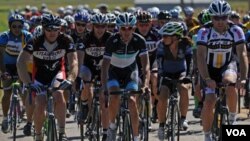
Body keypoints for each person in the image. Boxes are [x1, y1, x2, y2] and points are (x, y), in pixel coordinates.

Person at [17, 13, 78, 141]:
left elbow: (74, 62)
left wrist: (71, 79)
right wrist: (28, 83)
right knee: (40, 103)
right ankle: (38, 135)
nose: (52, 32)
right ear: (44, 29)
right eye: (49, 29)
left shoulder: (66, 40)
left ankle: (61, 132)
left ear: (59, 29)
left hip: (57, 73)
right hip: (39, 76)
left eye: (56, 29)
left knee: (59, 94)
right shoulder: (35, 41)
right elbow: (21, 62)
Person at [196, 1, 248, 141]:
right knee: (209, 101)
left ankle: (232, 119)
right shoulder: (204, 32)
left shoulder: (236, 30)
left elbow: (242, 54)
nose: (220, 21)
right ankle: (207, 136)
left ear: (228, 17)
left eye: (223, 17)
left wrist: (243, 78)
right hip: (208, 68)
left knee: (230, 85)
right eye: (216, 18)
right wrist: (206, 78)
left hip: (227, 65)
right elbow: (200, 56)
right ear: (211, 17)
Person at [101, 12, 150, 141]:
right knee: (115, 96)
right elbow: (105, 66)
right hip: (113, 72)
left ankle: (135, 137)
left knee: (132, 101)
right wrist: (104, 86)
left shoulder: (139, 41)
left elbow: (146, 67)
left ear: (134, 28)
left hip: (130, 72)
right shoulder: (112, 40)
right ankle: (112, 126)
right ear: (118, 28)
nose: (127, 31)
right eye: (123, 28)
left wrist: (145, 85)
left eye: (130, 28)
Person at [77, 13, 112, 141]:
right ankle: (85, 104)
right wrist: (78, 77)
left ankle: (105, 132)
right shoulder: (85, 38)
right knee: (86, 82)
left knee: (104, 100)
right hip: (88, 68)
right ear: (92, 26)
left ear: (106, 26)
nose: (100, 29)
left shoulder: (110, 38)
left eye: (103, 26)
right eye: (97, 26)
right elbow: (80, 59)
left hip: (104, 70)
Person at [157, 22, 193, 140]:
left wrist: (188, 76)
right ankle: (161, 126)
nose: (163, 38)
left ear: (175, 37)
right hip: (166, 73)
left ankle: (183, 118)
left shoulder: (185, 45)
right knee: (162, 97)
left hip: (181, 73)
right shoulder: (162, 45)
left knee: (183, 88)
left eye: (166, 36)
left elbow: (190, 62)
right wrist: (161, 74)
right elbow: (159, 61)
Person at [0, 13, 33, 133]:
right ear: (10, 26)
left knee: (25, 90)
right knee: (7, 92)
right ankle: (5, 118)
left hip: (22, 65)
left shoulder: (28, 36)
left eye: (20, 26)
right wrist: (3, 72)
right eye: (14, 26)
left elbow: (31, 56)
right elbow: (0, 56)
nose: (17, 29)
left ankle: (25, 110)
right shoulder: (4, 36)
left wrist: (29, 72)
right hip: (7, 66)